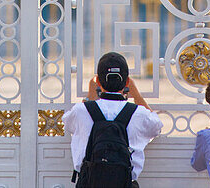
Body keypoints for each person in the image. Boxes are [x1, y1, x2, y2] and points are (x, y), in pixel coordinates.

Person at [63, 51, 162, 186]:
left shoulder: (81, 111)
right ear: (127, 82)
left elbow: (67, 123)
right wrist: (136, 95)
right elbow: (157, 126)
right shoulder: (138, 114)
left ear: (97, 81)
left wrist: (90, 96)